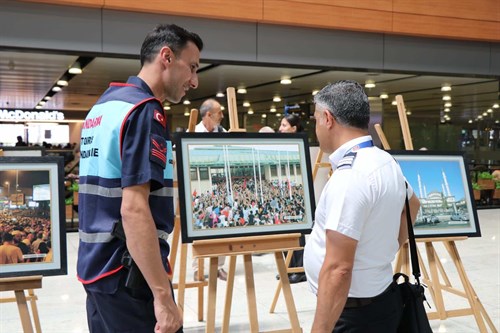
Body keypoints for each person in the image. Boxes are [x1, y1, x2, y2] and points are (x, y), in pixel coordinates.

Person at [76, 24, 203, 333]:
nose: (195, 81)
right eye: (193, 68)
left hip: (97, 268)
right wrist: (162, 296)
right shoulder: (145, 111)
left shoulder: (104, 106)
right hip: (129, 275)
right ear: (167, 57)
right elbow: (133, 209)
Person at [303, 80, 421, 332]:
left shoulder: (350, 176)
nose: (316, 127)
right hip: (379, 300)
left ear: (327, 118)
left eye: (315, 120)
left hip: (352, 313)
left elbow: (339, 270)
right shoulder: (384, 160)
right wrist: (386, 248)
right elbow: (413, 204)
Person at [192, 98, 228, 281]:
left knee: (220, 225)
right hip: (199, 186)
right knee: (198, 227)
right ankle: (198, 267)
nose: (222, 116)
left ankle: (219, 266)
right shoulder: (193, 132)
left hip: (218, 185)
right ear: (208, 115)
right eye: (219, 112)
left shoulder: (222, 132)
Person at [278, 113, 307, 284]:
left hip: (295, 194)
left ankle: (300, 269)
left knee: (297, 232)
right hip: (283, 192)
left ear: (293, 128)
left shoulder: (298, 145)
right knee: (282, 232)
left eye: (284, 125)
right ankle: (287, 269)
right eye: (280, 125)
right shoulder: (279, 146)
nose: (280, 129)